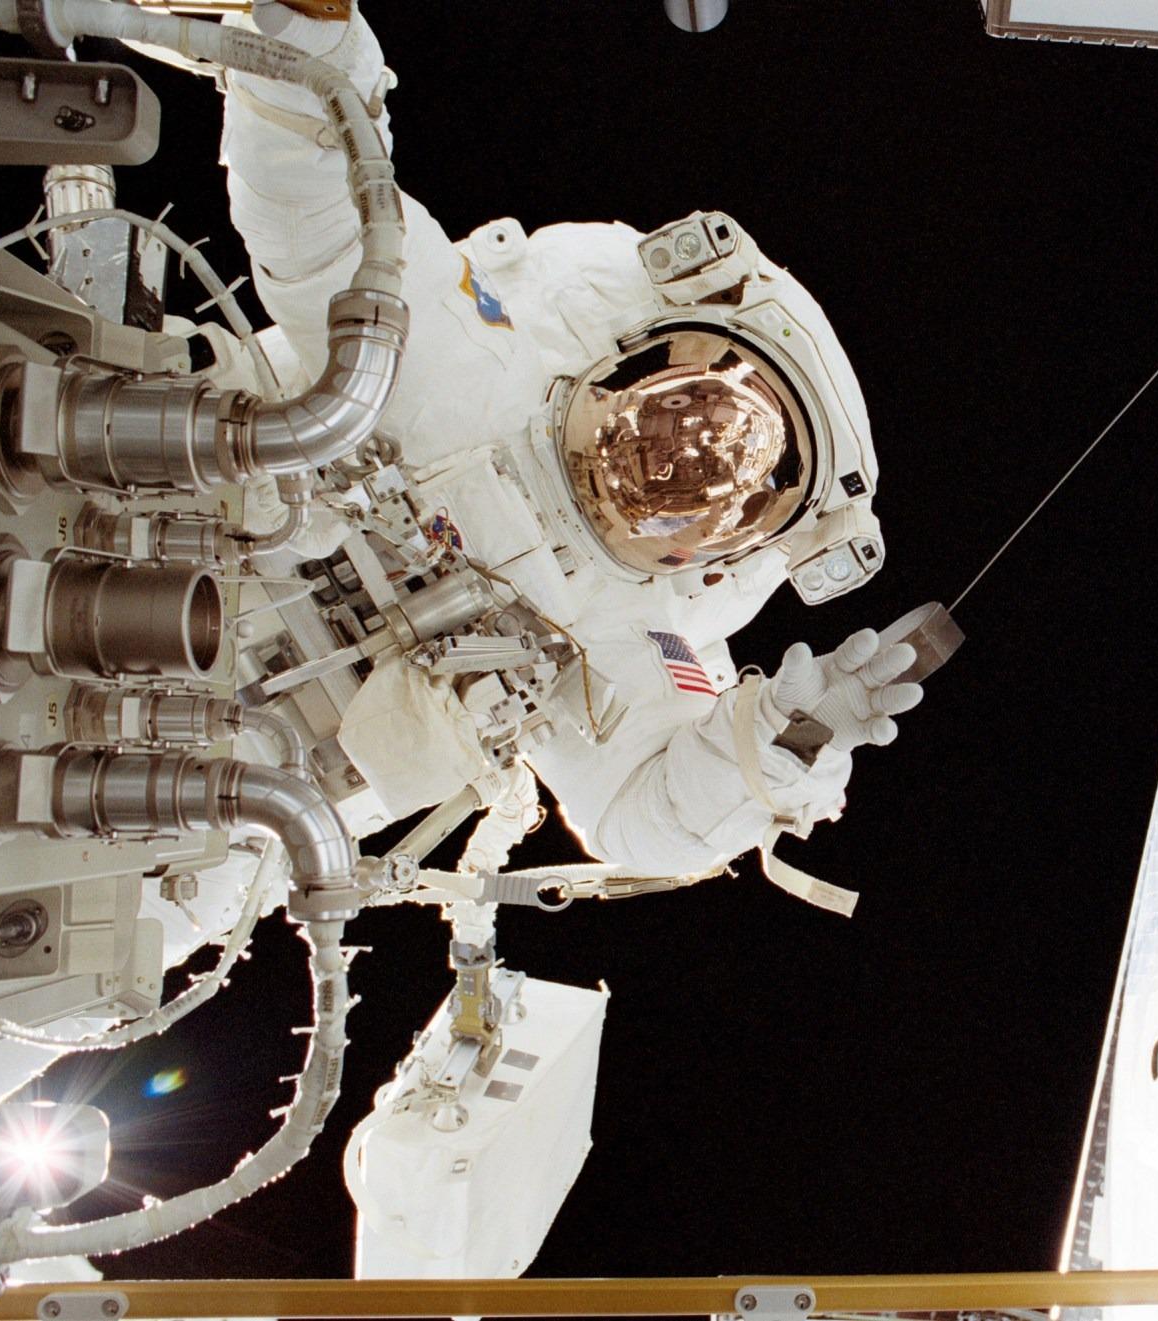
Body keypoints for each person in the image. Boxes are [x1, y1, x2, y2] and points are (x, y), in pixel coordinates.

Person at [220, 1, 920, 894]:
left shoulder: (635, 632)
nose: (685, 459)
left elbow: (645, 816)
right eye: (695, 413)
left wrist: (786, 746)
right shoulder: (469, 371)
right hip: (135, 485)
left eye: (723, 479)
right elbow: (323, 221)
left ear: (736, 543)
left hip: (216, 806)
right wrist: (310, 32)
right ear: (644, 360)